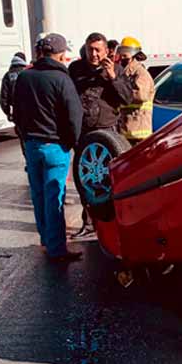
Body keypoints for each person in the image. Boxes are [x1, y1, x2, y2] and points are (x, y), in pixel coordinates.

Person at [12, 33, 84, 262]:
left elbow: (17, 112)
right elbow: (74, 115)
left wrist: (25, 136)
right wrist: (72, 142)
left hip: (32, 145)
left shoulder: (24, 77)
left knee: (39, 195)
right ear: (61, 55)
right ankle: (56, 249)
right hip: (55, 146)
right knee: (54, 197)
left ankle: (46, 238)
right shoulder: (62, 79)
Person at [68, 32, 134, 239]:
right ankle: (88, 222)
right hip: (83, 132)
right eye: (90, 50)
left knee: (112, 180)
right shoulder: (76, 69)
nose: (94, 54)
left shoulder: (117, 70)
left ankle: (116, 224)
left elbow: (127, 98)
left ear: (106, 51)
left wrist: (113, 77)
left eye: (98, 50)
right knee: (85, 178)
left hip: (108, 132)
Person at [116, 36, 155, 144]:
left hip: (138, 132)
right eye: (121, 51)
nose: (122, 56)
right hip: (127, 129)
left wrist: (121, 92)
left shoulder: (141, 73)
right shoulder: (126, 71)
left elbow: (141, 95)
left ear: (133, 53)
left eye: (125, 52)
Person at [0, 51, 28, 159]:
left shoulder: (8, 75)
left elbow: (3, 99)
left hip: (17, 112)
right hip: (31, 111)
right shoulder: (28, 72)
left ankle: (28, 160)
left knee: (23, 139)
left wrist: (8, 113)